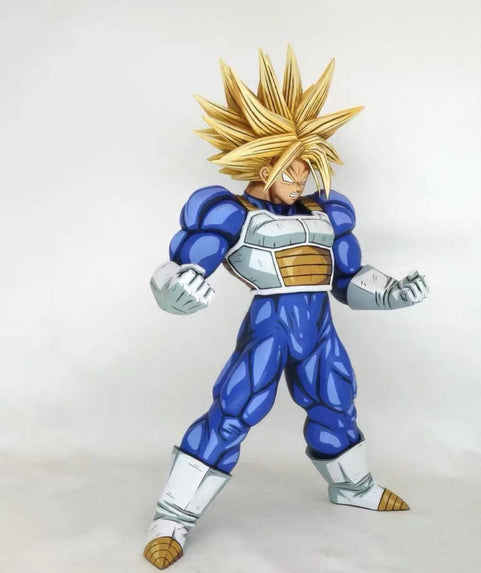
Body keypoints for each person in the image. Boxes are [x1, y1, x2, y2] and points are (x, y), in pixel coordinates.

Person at [143, 46, 428, 570]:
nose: (300, 181)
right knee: (234, 411)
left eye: (306, 169)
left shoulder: (327, 211)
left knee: (336, 402)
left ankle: (353, 487)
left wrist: (390, 292)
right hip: (270, 327)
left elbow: (346, 279)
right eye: (290, 171)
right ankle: (172, 518)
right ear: (262, 164)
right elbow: (181, 265)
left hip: (318, 326)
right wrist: (174, 289)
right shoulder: (229, 211)